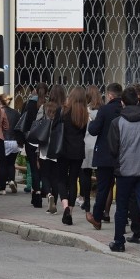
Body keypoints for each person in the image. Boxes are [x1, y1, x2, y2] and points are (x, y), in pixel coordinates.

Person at [107, 86, 140, 252]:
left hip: (124, 170)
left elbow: (113, 148)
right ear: (138, 100)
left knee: (121, 207)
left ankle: (118, 241)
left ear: (122, 102)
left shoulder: (117, 123)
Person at [85, 82, 123, 230]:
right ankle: (123, 218)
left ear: (109, 95)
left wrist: (92, 122)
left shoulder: (105, 110)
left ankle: (97, 217)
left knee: (103, 188)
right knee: (122, 188)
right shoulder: (124, 109)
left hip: (105, 155)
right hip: (122, 155)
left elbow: (94, 130)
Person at [55, 86, 88, 225]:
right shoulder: (84, 114)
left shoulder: (63, 110)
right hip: (78, 150)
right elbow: (84, 132)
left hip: (63, 149)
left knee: (61, 179)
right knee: (73, 180)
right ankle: (71, 211)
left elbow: (54, 127)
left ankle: (65, 207)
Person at [38, 84, 67, 214]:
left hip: (45, 145)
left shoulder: (44, 107)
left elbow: (37, 124)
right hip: (59, 146)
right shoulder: (65, 109)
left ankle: (48, 194)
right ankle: (54, 203)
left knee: (44, 173)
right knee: (56, 176)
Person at [23, 83, 48, 208]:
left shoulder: (29, 104)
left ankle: (36, 194)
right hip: (44, 140)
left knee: (33, 167)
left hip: (30, 140)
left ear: (36, 91)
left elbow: (24, 122)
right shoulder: (48, 106)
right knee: (42, 167)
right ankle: (44, 191)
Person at [79, 84, 102, 213]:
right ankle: (98, 202)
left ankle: (86, 202)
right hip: (98, 146)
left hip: (86, 145)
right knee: (100, 177)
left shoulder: (84, 110)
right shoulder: (102, 111)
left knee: (85, 175)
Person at [0, 94, 20, 195]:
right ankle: (11, 180)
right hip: (14, 141)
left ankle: (2, 188)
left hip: (3, 141)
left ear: (0, 101)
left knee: (2, 165)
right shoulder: (16, 113)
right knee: (11, 163)